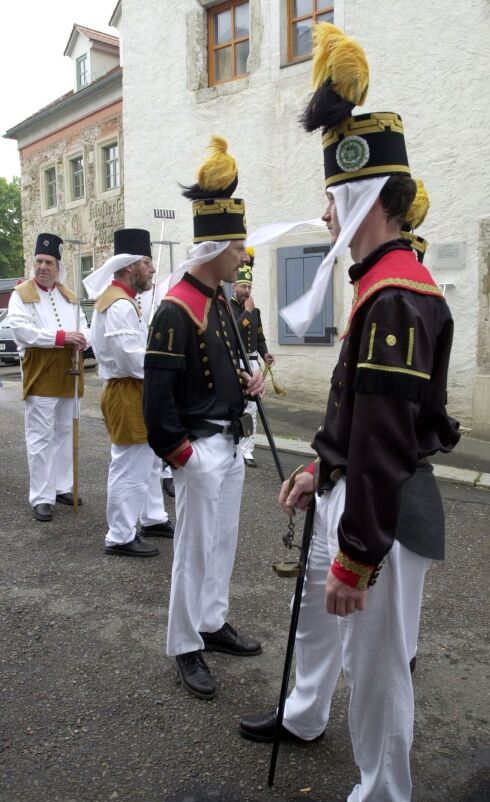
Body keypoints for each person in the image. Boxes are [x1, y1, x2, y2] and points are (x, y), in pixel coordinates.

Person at [240, 24, 460, 802]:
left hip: (386, 513)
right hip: (355, 491)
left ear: (365, 199)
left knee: (377, 666)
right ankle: (302, 719)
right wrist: (315, 468)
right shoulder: (384, 286)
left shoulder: (398, 295)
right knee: (320, 619)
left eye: (335, 196)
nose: (326, 209)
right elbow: (354, 422)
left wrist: (356, 553)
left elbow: (385, 444)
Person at [143, 136, 265, 700]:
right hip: (198, 448)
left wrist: (252, 380)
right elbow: (157, 400)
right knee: (193, 550)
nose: (243, 255)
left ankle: (212, 623)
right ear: (215, 247)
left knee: (223, 542)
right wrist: (180, 454)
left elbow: (233, 361)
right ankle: (184, 643)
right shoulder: (176, 307)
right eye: (237, 245)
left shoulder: (218, 300)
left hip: (231, 442)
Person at [84, 228, 173, 557]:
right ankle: (120, 535)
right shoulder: (119, 305)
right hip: (128, 390)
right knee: (129, 464)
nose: (151, 269)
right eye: (147, 262)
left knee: (148, 461)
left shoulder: (124, 300)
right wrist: (165, 369)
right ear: (129, 266)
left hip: (135, 388)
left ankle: (152, 517)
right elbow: (130, 359)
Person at [7, 233, 89, 521]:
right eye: (39, 261)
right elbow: (21, 331)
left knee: (65, 433)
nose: (43, 267)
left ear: (58, 266)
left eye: (49, 262)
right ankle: (41, 496)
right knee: (41, 437)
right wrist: (61, 336)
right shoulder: (21, 295)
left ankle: (62, 487)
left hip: (70, 372)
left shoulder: (68, 296)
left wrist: (83, 340)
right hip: (41, 373)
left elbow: (85, 326)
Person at [230, 250, 274, 467]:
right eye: (243, 286)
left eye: (249, 287)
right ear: (234, 287)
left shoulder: (254, 310)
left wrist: (265, 353)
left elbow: (259, 336)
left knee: (253, 408)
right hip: (236, 363)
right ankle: (235, 447)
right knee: (237, 406)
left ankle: (248, 450)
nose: (247, 291)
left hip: (253, 361)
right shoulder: (228, 308)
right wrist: (247, 313)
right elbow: (234, 332)